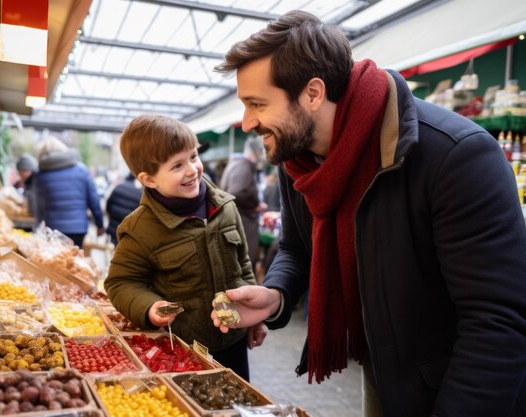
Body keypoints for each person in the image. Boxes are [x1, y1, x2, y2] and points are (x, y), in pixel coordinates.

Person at [210, 10, 526, 417]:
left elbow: (498, 322)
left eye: (257, 104)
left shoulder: (456, 156)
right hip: (382, 369)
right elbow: (295, 247)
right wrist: (276, 295)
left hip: (459, 387)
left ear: (313, 93)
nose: (247, 122)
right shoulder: (298, 163)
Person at [104, 114, 266, 381]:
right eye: (177, 165)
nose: (192, 170)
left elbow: (244, 265)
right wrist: (149, 307)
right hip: (182, 348)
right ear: (149, 179)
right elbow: (121, 283)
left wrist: (255, 316)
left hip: (234, 340)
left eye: (193, 157)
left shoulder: (226, 207)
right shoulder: (140, 229)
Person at [33, 136, 105, 248]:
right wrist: (99, 224)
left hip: (53, 228)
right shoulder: (82, 170)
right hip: (78, 228)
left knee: (56, 262)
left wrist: (38, 227)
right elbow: (94, 200)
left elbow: (39, 205)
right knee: (75, 261)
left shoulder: (40, 174)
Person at [220, 137, 268, 270]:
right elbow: (237, 192)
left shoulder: (235, 163)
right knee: (245, 261)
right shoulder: (243, 165)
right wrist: (255, 205)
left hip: (237, 218)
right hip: (243, 220)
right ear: (256, 153)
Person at [105, 172, 143, 245]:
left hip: (114, 228)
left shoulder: (119, 187)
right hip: (128, 231)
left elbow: (108, 206)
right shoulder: (140, 193)